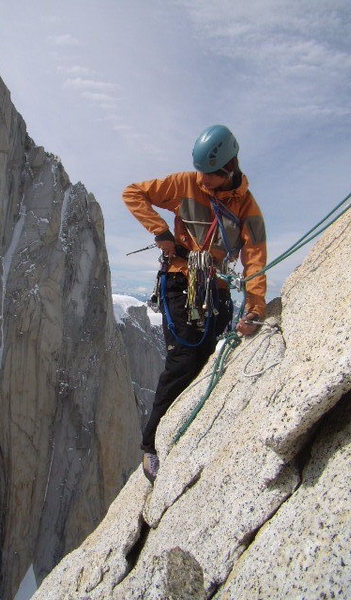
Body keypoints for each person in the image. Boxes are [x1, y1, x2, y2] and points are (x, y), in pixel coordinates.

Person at [122, 124, 267, 483]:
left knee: (207, 357)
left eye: (209, 174)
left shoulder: (248, 209)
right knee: (185, 355)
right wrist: (160, 230)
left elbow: (255, 259)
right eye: (200, 171)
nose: (202, 179)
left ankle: (186, 430)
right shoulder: (185, 183)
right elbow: (133, 192)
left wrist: (256, 307)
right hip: (179, 278)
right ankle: (151, 443)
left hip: (215, 288)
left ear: (228, 169)